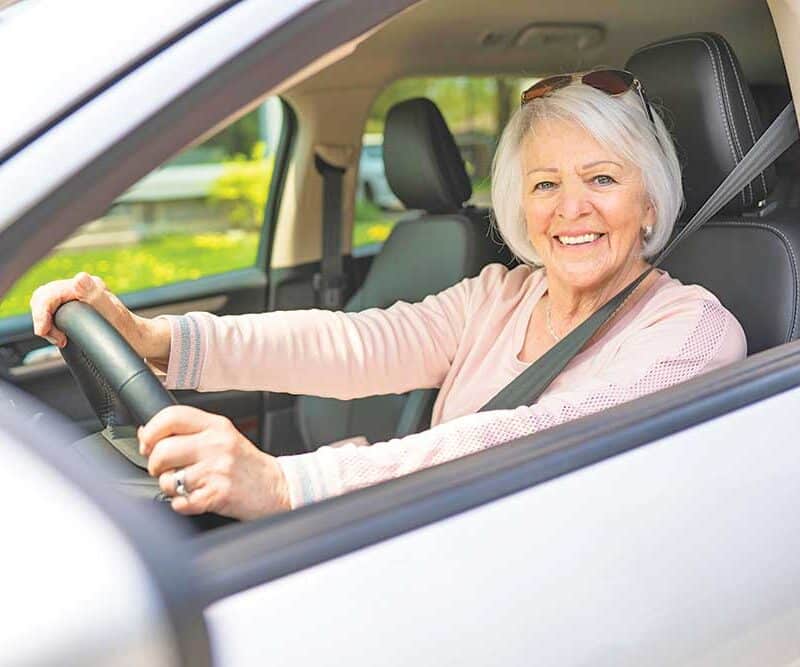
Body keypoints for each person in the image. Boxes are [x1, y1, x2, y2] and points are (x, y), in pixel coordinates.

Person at [31, 70, 747, 520]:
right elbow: (356, 343)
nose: (571, 209)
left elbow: (535, 437)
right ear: (520, 206)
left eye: (601, 178)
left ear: (650, 204)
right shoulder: (502, 293)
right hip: (440, 539)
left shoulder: (691, 330)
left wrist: (287, 484)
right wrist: (163, 343)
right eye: (545, 184)